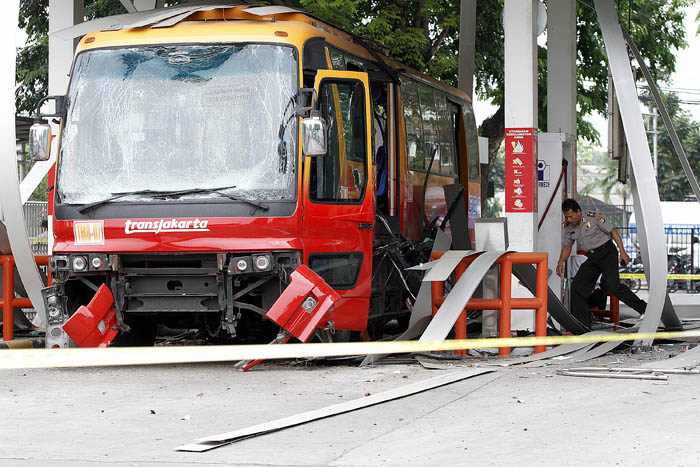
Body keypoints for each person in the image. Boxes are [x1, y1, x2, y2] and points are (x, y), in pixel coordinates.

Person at [556, 198, 646, 327]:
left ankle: (644, 309)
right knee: (577, 287)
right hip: (592, 257)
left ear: (578, 212)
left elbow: (613, 231)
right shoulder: (570, 229)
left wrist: (623, 252)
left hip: (607, 252)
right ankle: (583, 325)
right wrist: (560, 262)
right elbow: (567, 247)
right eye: (566, 217)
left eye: (570, 216)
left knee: (613, 286)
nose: (569, 220)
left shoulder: (593, 217)